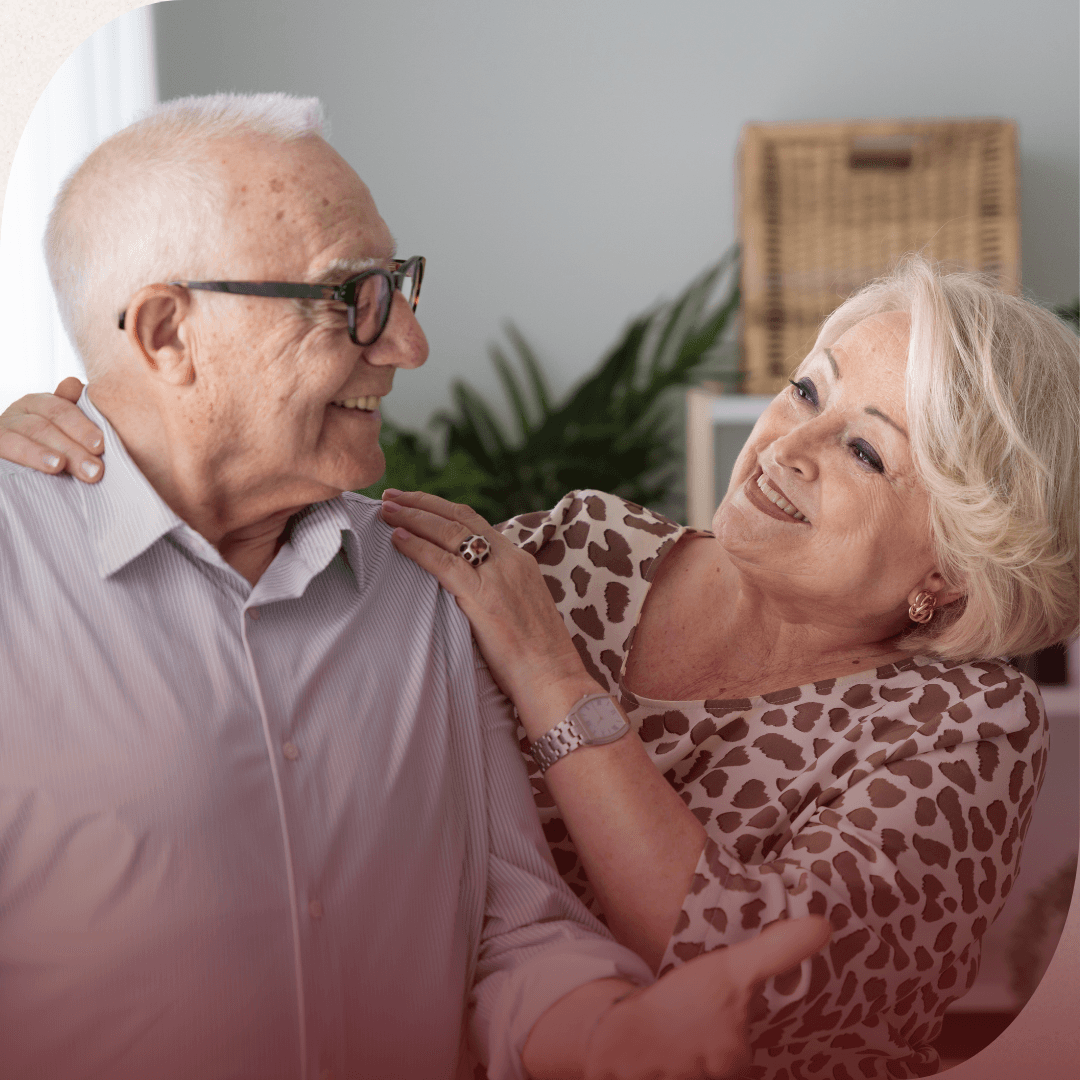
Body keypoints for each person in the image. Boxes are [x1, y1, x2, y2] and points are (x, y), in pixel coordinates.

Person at [0, 92, 833, 1080]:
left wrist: (611, 1035)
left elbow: (510, 931)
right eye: (350, 295)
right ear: (167, 333)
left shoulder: (425, 584)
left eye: (397, 286)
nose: (408, 344)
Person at [368, 260, 1076, 1078]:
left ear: (953, 568)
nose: (789, 446)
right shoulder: (584, 548)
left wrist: (550, 676)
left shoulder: (970, 724)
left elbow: (748, 980)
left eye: (863, 451)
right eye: (807, 392)